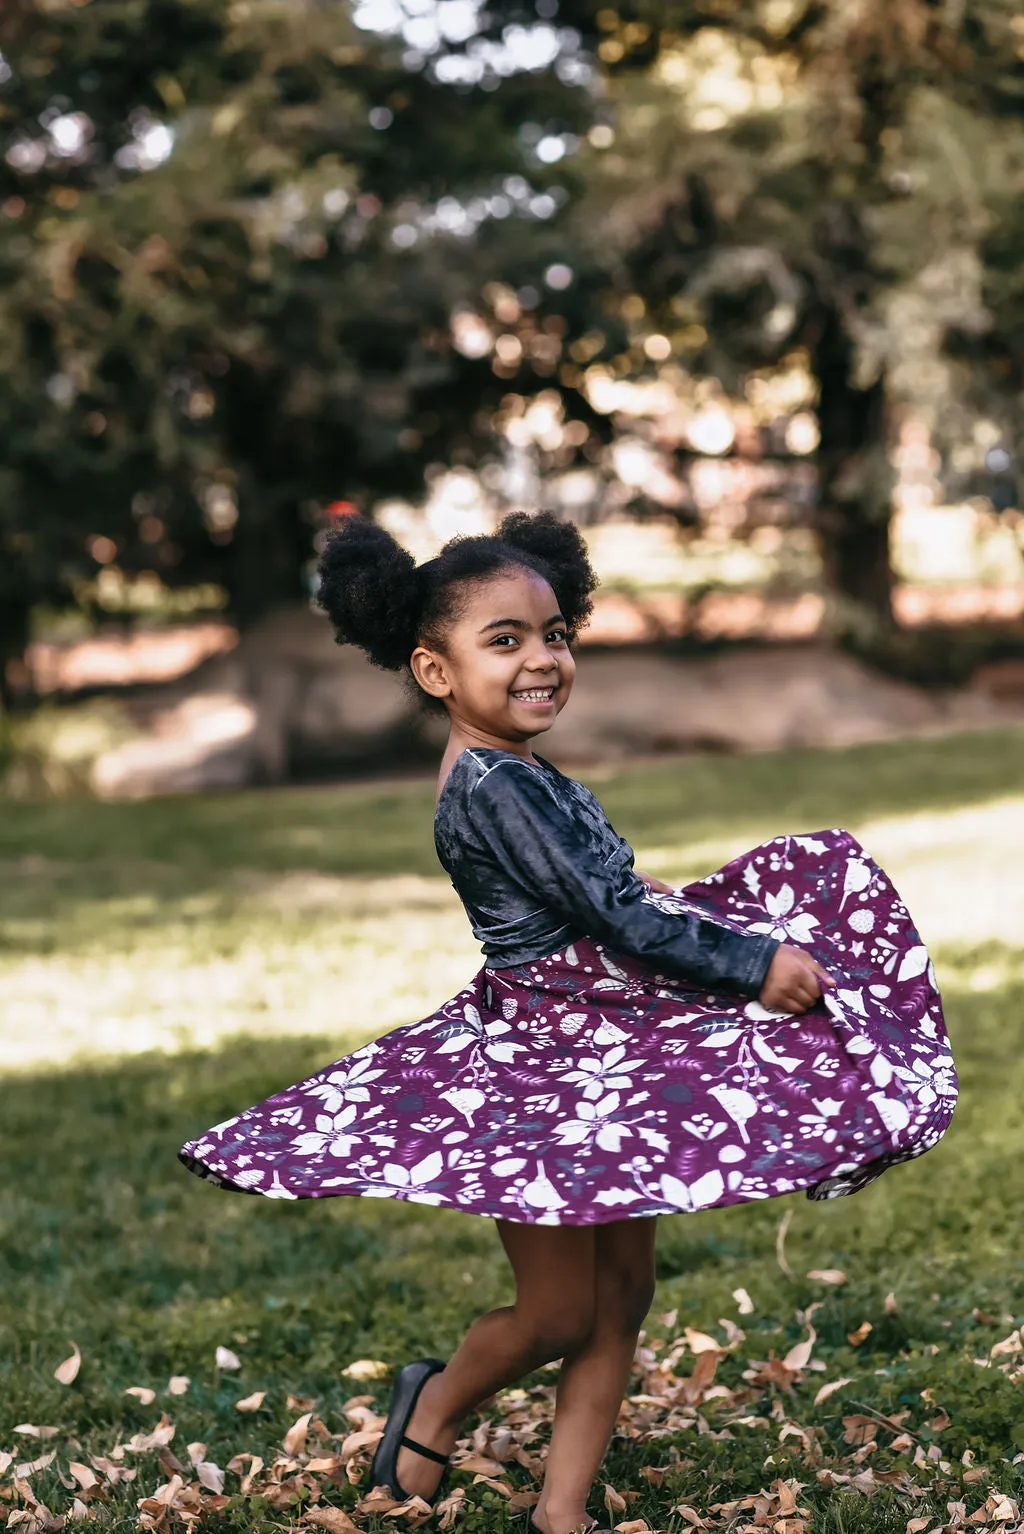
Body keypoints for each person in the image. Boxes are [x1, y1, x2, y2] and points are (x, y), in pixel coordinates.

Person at [179, 510, 958, 1534]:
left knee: (622, 1291)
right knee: (557, 1309)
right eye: (503, 641)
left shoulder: (523, 772)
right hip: (545, 1067)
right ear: (433, 669)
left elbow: (602, 888)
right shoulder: (495, 784)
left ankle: (562, 1510)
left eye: (554, 634)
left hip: (604, 1053)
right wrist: (751, 961)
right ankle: (436, 1401)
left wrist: (671, 897)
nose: (542, 658)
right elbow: (615, 916)